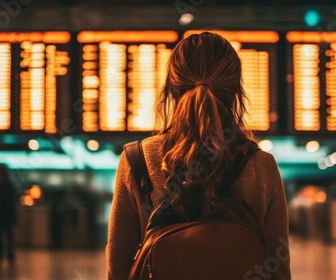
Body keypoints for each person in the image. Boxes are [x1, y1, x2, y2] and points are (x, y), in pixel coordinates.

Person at [106, 32, 290, 279]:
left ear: (171, 90)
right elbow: (278, 270)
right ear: (235, 93)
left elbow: (118, 268)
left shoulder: (137, 159)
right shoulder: (261, 165)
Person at [0, 165, 18, 265]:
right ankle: (9, 254)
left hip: (1, 214)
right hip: (9, 214)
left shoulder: (0, 185)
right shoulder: (10, 185)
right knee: (9, 235)